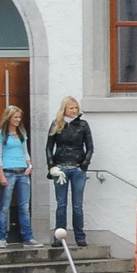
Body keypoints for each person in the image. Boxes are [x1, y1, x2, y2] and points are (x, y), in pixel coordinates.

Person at [45, 97, 93, 247]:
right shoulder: (56, 124)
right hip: (61, 168)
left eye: (76, 108)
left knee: (77, 205)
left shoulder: (83, 125)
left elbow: (90, 147)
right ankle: (59, 237)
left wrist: (84, 165)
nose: (74, 110)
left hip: (77, 168)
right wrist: (52, 166)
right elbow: (49, 147)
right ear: (64, 109)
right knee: (61, 204)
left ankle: (80, 236)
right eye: (71, 108)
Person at [0, 105, 35, 247]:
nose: (18, 120)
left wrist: (30, 166)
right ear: (8, 118)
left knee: (24, 207)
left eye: (19, 117)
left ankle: (28, 237)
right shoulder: (0, 134)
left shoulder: (21, 133)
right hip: (8, 171)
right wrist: (0, 174)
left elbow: (25, 152)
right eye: (15, 117)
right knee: (4, 206)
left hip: (23, 171)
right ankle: (2, 237)